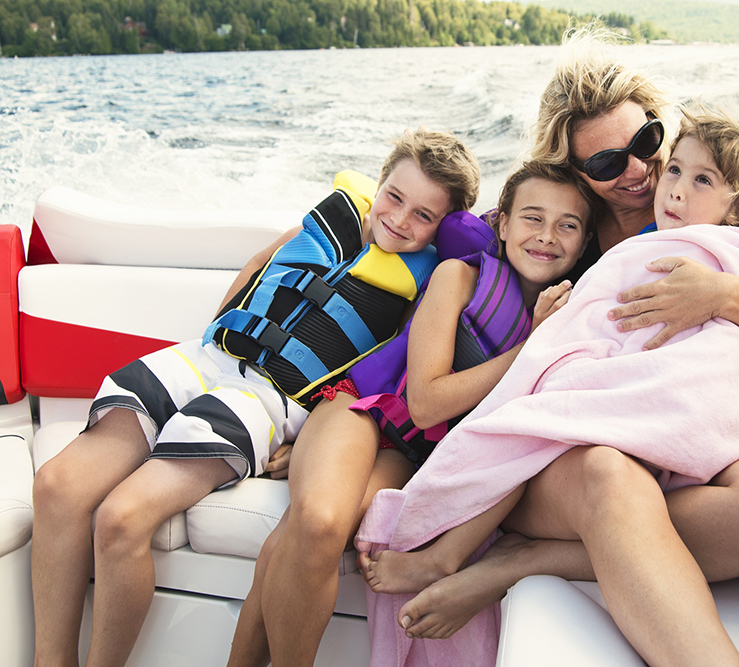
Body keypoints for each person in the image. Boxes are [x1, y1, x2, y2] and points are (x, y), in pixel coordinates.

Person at [356, 104, 739, 667]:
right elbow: (559, 360)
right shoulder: (578, 247)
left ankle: (530, 558)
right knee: (608, 474)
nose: (644, 172)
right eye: (607, 160)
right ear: (580, 175)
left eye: (647, 142)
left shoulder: (734, 251)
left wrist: (722, 295)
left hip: (666, 435)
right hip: (571, 457)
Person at [30, 127, 480, 667]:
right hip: (206, 357)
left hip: (270, 398)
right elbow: (255, 273)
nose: (401, 220)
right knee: (56, 485)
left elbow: (382, 382)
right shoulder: (320, 225)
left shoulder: (420, 288)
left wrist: (307, 436)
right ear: (379, 182)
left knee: (122, 519)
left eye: (423, 216)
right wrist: (215, 342)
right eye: (395, 197)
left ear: (441, 227)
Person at [225, 160, 594, 667]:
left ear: (584, 240)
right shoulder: (458, 277)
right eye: (532, 218)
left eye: (567, 225)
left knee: (306, 537)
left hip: (416, 458)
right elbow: (424, 403)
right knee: (317, 521)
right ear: (503, 224)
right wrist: (530, 346)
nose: (547, 237)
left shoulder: (575, 316)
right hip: (364, 412)